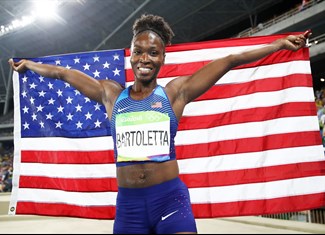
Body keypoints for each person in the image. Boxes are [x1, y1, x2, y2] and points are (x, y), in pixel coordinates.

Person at [9, 14, 310, 234]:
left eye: (153, 53)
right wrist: (29, 65)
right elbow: (63, 74)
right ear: (131, 55)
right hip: (129, 206)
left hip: (170, 200)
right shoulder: (111, 95)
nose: (144, 58)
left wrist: (277, 45)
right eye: (138, 51)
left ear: (163, 57)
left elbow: (231, 59)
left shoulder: (175, 93)